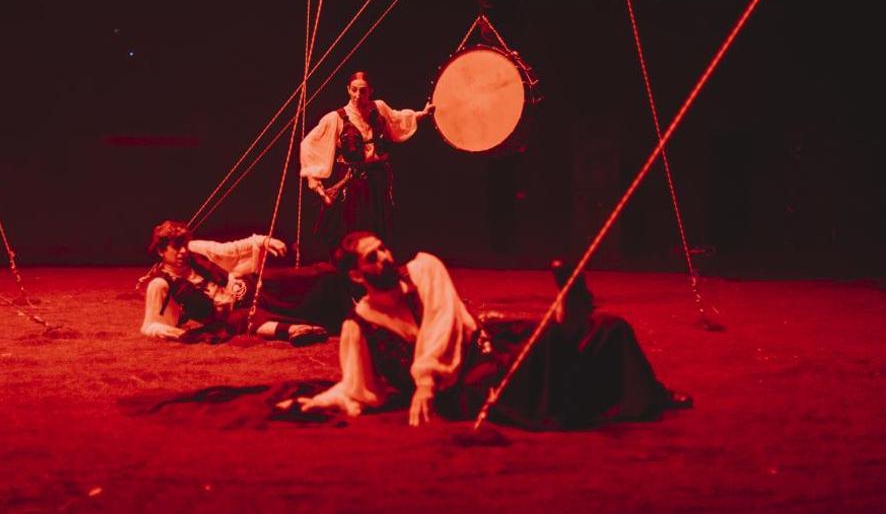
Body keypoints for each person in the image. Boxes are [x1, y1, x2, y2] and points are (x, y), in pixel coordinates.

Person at [282, 232, 691, 429]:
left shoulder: (425, 269)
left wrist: (424, 378)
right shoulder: (359, 326)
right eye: (374, 258)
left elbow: (441, 324)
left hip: (483, 347)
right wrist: (316, 403)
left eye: (384, 249)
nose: (387, 258)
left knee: (610, 327)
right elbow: (359, 389)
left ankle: (649, 393)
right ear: (357, 275)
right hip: (463, 389)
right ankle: (566, 322)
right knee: (537, 356)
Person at [138, 220, 358, 345]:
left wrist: (262, 241)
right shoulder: (161, 284)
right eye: (177, 247)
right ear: (160, 250)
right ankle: (296, 330)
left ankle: (355, 310)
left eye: (184, 244)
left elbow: (230, 250)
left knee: (315, 275)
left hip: (249, 286)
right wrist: (180, 334)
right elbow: (151, 326)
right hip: (231, 314)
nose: (184, 251)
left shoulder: (197, 251)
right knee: (243, 320)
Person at [299, 71, 433, 252]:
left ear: (370, 91)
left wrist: (421, 114)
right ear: (348, 89)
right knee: (352, 224)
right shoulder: (336, 118)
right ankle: (351, 266)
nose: (357, 96)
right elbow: (310, 144)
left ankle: (378, 264)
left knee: (379, 223)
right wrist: (313, 179)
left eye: (362, 91)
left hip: (378, 177)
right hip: (352, 180)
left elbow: (396, 119)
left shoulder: (379, 107)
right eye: (354, 90)